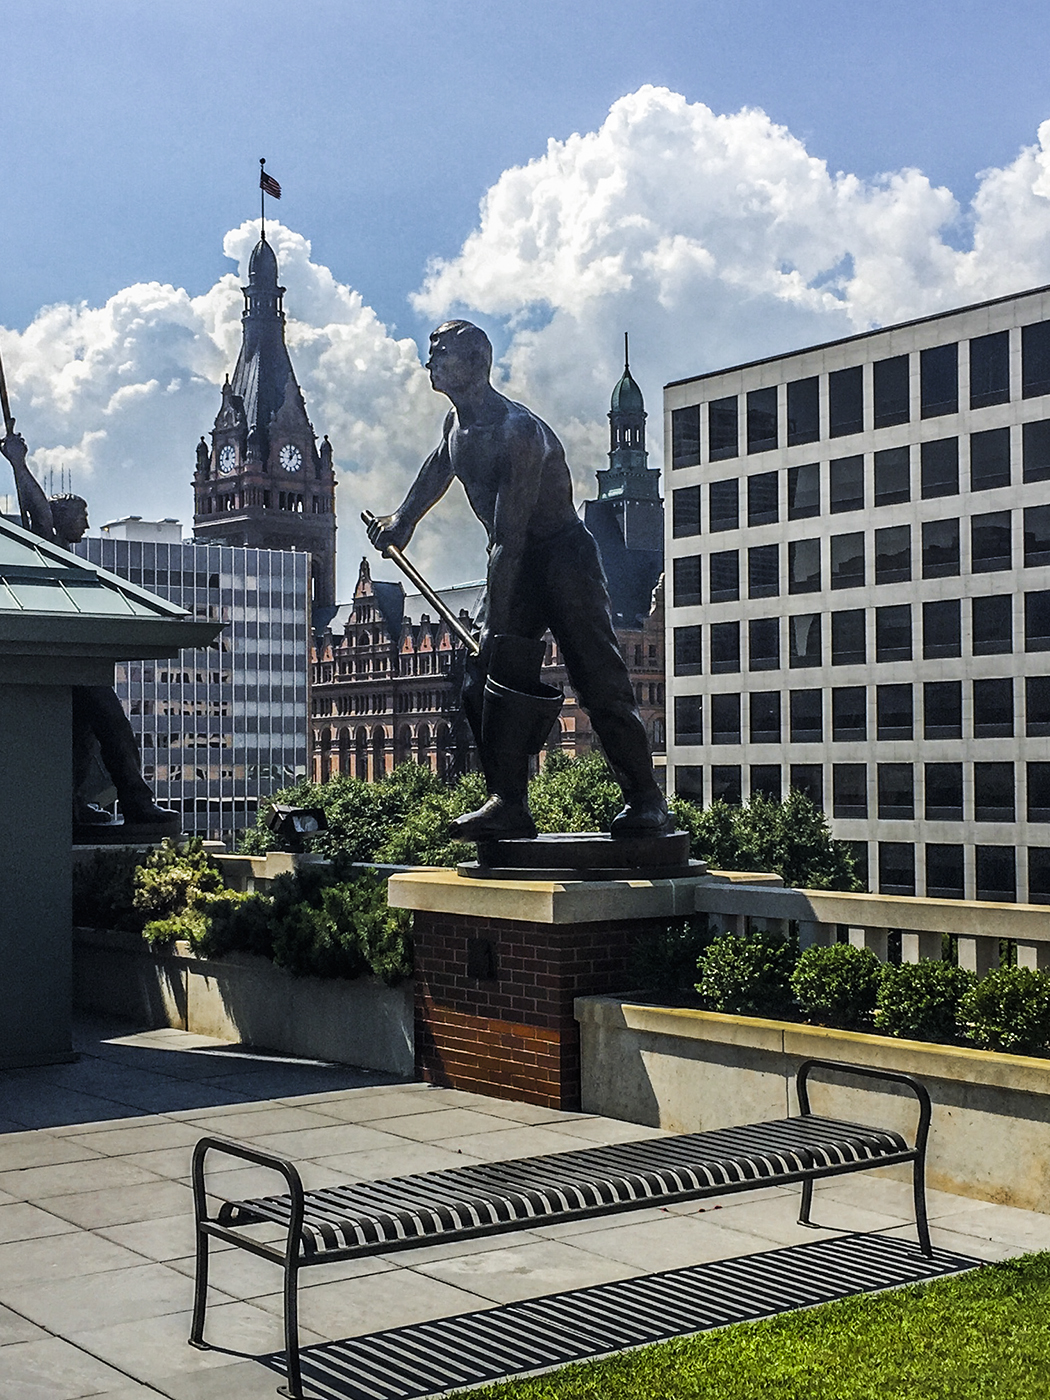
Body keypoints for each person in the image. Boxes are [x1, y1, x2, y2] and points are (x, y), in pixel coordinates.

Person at [367, 320, 672, 840]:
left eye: (440, 354)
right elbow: (440, 467)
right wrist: (403, 520)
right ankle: (508, 802)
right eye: (431, 354)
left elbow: (508, 537)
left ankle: (647, 800)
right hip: (518, 558)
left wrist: (496, 625)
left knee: (599, 681)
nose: (430, 363)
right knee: (480, 678)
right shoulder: (457, 424)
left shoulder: (517, 432)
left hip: (562, 557)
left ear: (475, 364)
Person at [0, 430, 178, 830]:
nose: (88, 523)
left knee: (82, 739)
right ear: (63, 520)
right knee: (114, 726)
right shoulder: (48, 542)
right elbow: (39, 511)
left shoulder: (57, 552)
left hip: (68, 660)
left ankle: (74, 805)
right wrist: (18, 461)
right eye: (82, 515)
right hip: (68, 662)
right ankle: (136, 802)